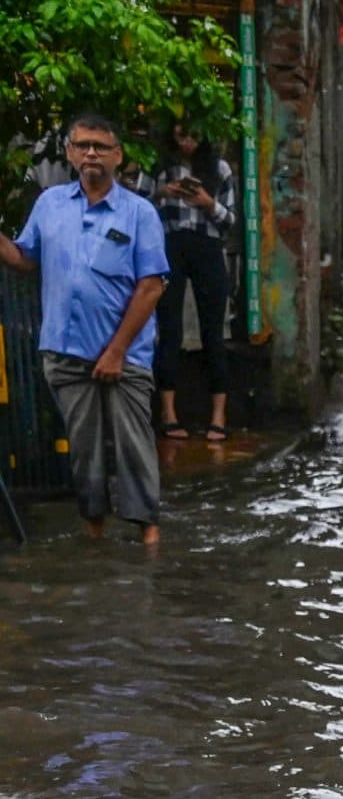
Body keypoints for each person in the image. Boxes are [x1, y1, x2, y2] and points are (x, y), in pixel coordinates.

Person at [1, 114, 169, 547]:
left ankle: (149, 537)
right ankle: (94, 534)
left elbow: (150, 287)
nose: (91, 153)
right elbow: (24, 257)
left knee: (133, 445)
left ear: (118, 155)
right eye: (82, 145)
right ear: (70, 153)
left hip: (126, 355)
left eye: (100, 146)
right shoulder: (50, 203)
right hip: (64, 349)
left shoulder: (139, 213)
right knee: (84, 449)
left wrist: (115, 351)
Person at [152, 125, 235, 444]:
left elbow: (231, 221)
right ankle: (168, 414)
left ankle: (218, 415)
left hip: (208, 246)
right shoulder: (160, 167)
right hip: (170, 245)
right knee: (169, 329)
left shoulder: (219, 169)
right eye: (181, 136)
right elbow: (138, 208)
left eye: (193, 136)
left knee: (213, 331)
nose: (186, 142)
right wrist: (162, 193)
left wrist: (206, 202)